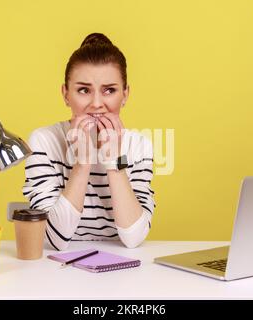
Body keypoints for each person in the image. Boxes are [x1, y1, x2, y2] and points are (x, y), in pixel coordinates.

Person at [22, 33, 155, 250]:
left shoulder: (139, 146)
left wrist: (115, 163)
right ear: (66, 94)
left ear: (125, 94)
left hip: (121, 265)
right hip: (55, 270)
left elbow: (133, 239)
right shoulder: (44, 141)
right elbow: (56, 239)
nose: (96, 104)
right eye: (84, 90)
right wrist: (82, 163)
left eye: (109, 90)